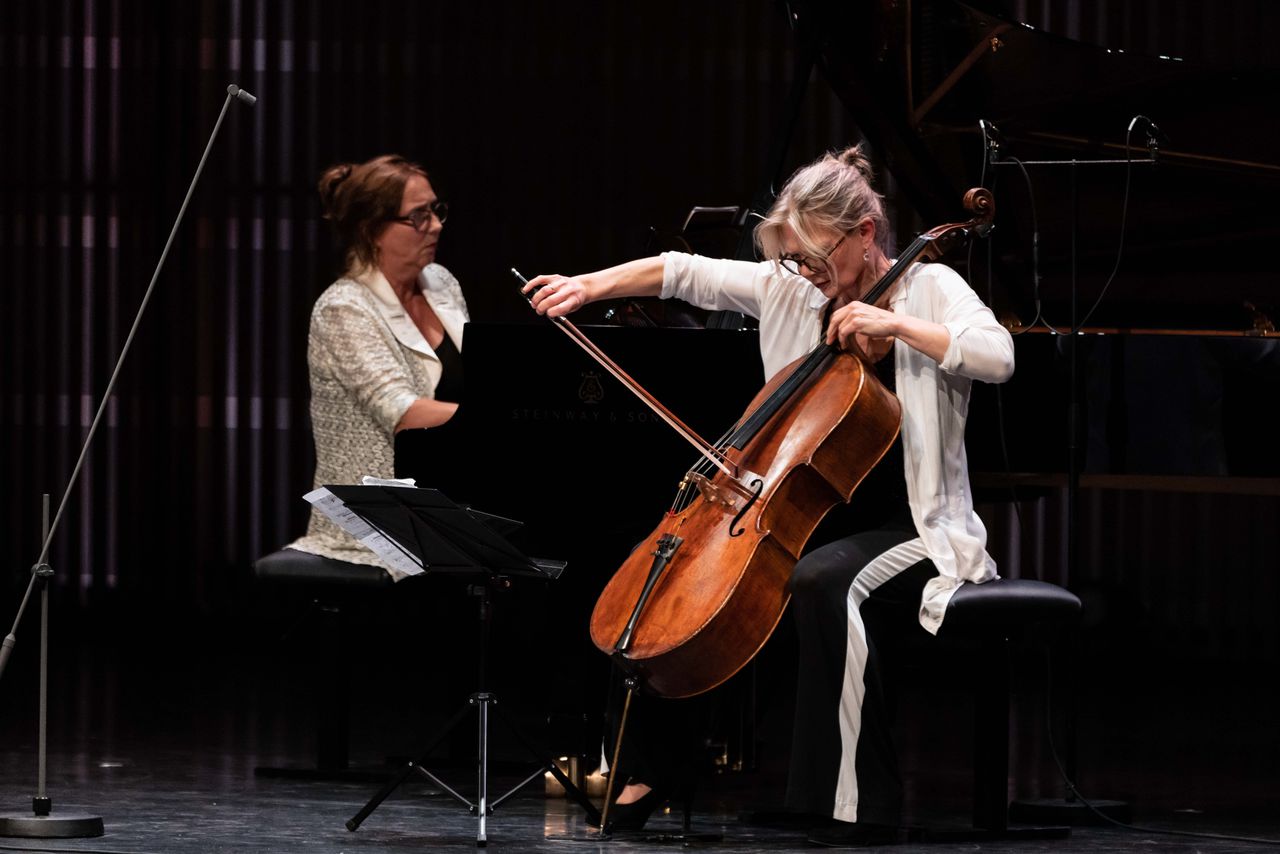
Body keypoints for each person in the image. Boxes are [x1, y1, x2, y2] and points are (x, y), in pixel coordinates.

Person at [524, 144, 1014, 846]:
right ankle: (648, 767)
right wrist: (589, 286)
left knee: (828, 583)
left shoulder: (929, 290)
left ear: (866, 234)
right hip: (804, 511)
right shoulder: (791, 290)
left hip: (912, 524)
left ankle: (851, 805)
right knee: (670, 566)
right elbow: (682, 273)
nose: (805, 276)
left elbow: (999, 355)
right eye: (793, 260)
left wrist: (897, 326)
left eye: (815, 258)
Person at [286, 154, 468, 577]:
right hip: (373, 520)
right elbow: (403, 413)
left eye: (436, 211)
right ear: (373, 230)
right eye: (419, 217)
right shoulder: (344, 309)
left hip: (444, 497)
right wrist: (502, 422)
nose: (437, 225)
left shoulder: (441, 283)